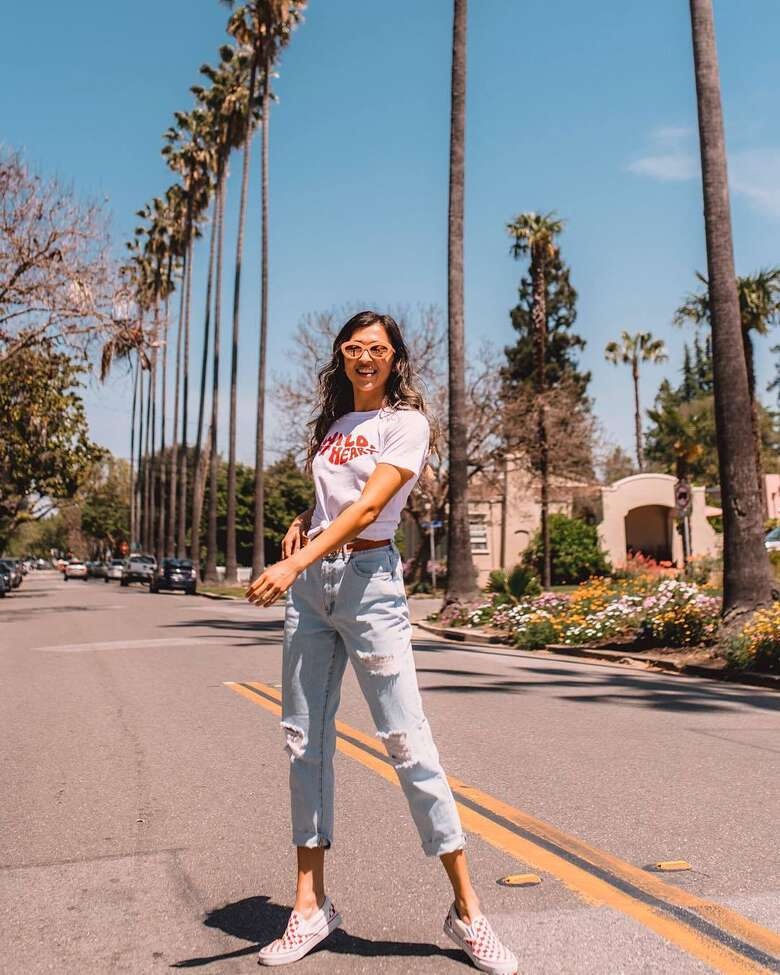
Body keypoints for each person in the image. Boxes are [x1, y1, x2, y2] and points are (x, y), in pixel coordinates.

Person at [247, 311, 517, 974]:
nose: (365, 357)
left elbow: (368, 509)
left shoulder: (406, 423)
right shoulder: (331, 427)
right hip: (313, 591)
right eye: (354, 347)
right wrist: (299, 522)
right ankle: (310, 906)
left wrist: (291, 561)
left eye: (378, 348)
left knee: (407, 740)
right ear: (341, 355)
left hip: (370, 586)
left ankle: (468, 911)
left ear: (394, 359)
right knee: (304, 739)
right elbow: (333, 501)